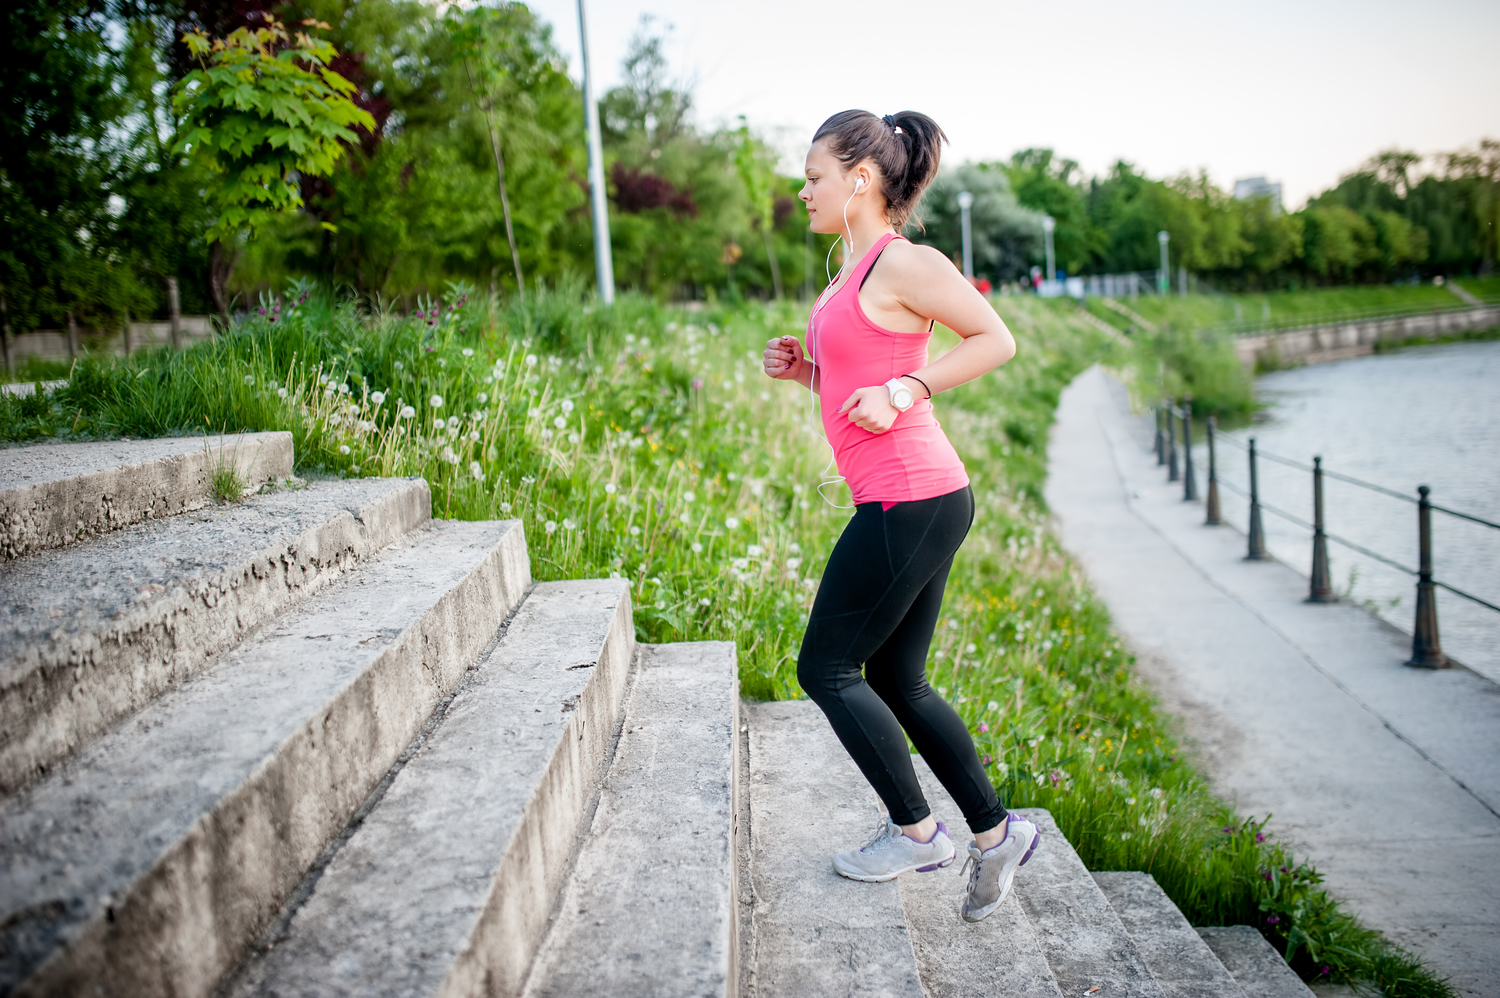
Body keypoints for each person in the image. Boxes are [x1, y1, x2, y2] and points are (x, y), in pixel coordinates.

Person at [761, 109, 1037, 922]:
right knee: (897, 679)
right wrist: (806, 372)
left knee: (827, 668)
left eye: (813, 175)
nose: (801, 188)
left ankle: (918, 835)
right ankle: (995, 836)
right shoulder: (849, 271)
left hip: (911, 497)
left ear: (860, 178)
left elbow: (996, 339)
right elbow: (858, 392)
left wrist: (911, 388)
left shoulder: (905, 262)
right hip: (913, 496)